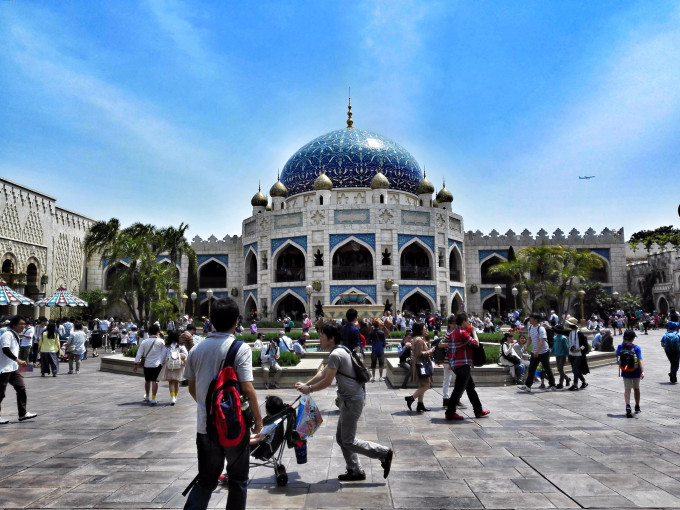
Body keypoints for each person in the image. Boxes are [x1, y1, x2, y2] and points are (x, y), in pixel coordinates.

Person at [183, 297, 261, 510]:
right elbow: (247, 388)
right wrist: (259, 420)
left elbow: (192, 388)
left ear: (211, 321)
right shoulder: (240, 348)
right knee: (238, 480)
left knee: (206, 480)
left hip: (205, 427)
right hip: (234, 426)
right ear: (236, 321)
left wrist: (209, 408)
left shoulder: (197, 350)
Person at [294, 322, 393, 481]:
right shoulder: (341, 350)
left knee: (347, 440)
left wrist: (309, 389)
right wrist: (306, 385)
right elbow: (324, 373)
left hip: (351, 401)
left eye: (322, 336)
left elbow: (327, 381)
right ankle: (355, 470)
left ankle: (383, 453)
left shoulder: (335, 354)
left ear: (331, 338)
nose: (320, 339)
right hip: (351, 399)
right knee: (342, 439)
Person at [444, 312, 490, 421]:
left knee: (470, 387)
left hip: (457, 364)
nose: (469, 323)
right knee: (458, 389)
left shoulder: (453, 332)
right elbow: (476, 344)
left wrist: (451, 363)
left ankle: (478, 410)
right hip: (463, 364)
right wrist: (474, 331)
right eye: (468, 321)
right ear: (464, 322)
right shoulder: (462, 333)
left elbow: (450, 350)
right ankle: (450, 412)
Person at [0, 316, 37, 424]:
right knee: (0, 393)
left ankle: (22, 413)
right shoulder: (7, 335)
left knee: (21, 388)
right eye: (21, 324)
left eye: (24, 324)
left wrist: (19, 364)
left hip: (13, 368)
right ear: (14, 324)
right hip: (4, 369)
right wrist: (18, 360)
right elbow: (5, 349)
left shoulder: (15, 334)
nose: (23, 326)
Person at [520, 313, 556, 392]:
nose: (530, 320)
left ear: (536, 320)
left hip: (543, 352)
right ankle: (528, 386)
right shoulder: (530, 327)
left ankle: (552, 385)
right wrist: (526, 347)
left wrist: (537, 351)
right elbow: (529, 339)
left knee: (547, 368)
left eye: (531, 318)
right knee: (532, 368)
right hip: (535, 351)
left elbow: (541, 341)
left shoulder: (541, 329)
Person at [404, 322, 434, 412]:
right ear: (420, 329)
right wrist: (431, 351)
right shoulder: (419, 340)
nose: (425, 329)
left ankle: (420, 404)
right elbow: (420, 353)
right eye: (424, 328)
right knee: (427, 385)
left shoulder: (416, 339)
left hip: (418, 364)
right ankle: (411, 398)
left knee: (422, 385)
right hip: (421, 365)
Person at [133, 324, 166, 405]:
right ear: (157, 332)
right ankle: (153, 398)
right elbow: (164, 353)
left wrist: (135, 363)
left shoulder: (144, 342)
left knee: (147, 380)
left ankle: (147, 396)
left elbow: (139, 354)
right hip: (157, 364)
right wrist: (163, 362)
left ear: (149, 332)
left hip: (147, 364)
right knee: (155, 381)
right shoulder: (161, 341)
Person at [617, 329, 644, 418]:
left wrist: (623, 342)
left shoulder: (620, 346)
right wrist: (643, 371)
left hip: (625, 371)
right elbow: (640, 359)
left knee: (627, 389)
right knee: (636, 388)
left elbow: (617, 354)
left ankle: (628, 406)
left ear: (624, 337)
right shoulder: (636, 348)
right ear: (633, 338)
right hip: (636, 371)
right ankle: (637, 406)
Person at [160, 330, 188, 405]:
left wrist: (161, 363)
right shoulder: (181, 346)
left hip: (169, 365)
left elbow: (162, 356)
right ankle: (175, 396)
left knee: (171, 382)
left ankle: (172, 397)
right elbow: (186, 354)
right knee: (176, 382)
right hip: (179, 365)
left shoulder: (167, 346)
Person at [564, 317, 589, 390]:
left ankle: (575, 384)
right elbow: (560, 331)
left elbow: (585, 344)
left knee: (575, 369)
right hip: (571, 354)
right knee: (575, 370)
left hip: (578, 354)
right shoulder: (570, 332)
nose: (568, 325)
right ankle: (584, 382)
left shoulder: (579, 333)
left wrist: (578, 349)